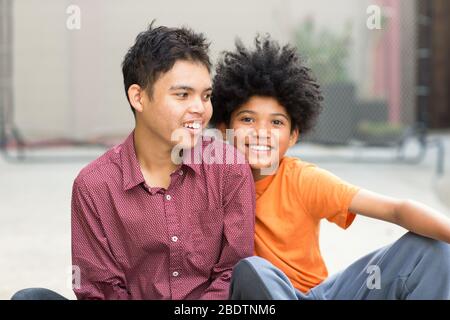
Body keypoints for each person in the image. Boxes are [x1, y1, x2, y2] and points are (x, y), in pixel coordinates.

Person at [11, 23, 255, 300]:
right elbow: (100, 288)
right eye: (183, 95)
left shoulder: (228, 168)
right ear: (138, 97)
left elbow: (233, 271)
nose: (200, 109)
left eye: (206, 96)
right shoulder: (94, 185)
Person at [211, 35, 450, 300]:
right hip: (260, 295)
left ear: (293, 136)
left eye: (276, 123)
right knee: (252, 270)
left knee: (433, 248)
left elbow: (396, 210)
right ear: (224, 129)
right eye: (247, 119)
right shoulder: (207, 183)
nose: (261, 132)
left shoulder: (303, 179)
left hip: (321, 295)